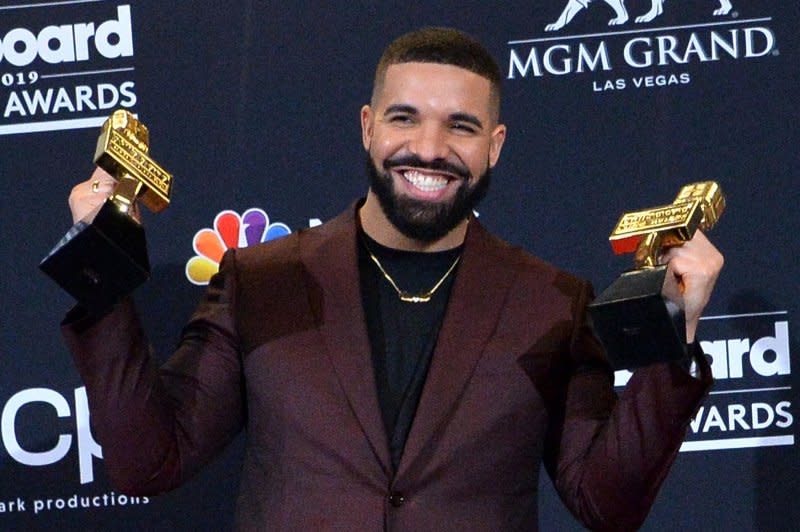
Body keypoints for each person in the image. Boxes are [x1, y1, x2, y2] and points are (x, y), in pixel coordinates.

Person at [63, 27, 723, 531]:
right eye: (405, 117)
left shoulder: (551, 300)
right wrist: (101, 277)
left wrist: (673, 335)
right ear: (368, 127)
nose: (430, 148)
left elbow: (606, 504)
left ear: (494, 145)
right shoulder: (262, 279)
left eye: (460, 126)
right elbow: (150, 461)